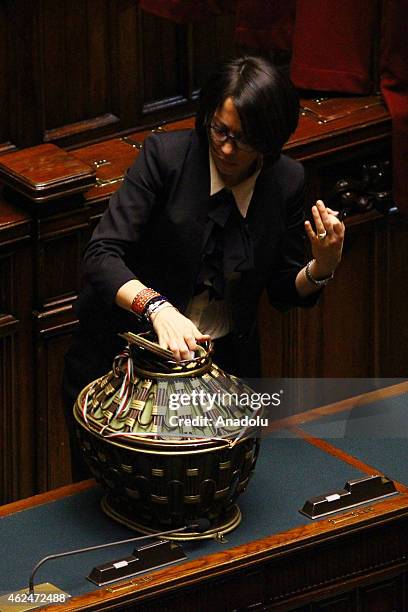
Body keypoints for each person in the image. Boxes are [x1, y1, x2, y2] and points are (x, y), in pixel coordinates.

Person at [63, 55, 344, 478]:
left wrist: (321, 266)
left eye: (243, 139)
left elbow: (284, 290)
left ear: (270, 141)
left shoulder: (286, 181)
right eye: (220, 130)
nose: (227, 148)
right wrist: (156, 308)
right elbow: (101, 255)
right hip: (125, 373)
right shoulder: (166, 158)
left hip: (222, 377)